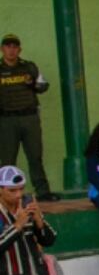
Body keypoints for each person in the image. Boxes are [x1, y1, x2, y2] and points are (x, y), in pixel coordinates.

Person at [0, 34, 56, 200]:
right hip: (6, 120)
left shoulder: (29, 67)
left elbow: (43, 85)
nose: (11, 50)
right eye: (8, 46)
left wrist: (33, 83)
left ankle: (43, 192)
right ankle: (5, 195)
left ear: (19, 49)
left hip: (29, 118)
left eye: (15, 46)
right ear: (3, 49)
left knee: (35, 156)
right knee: (8, 160)